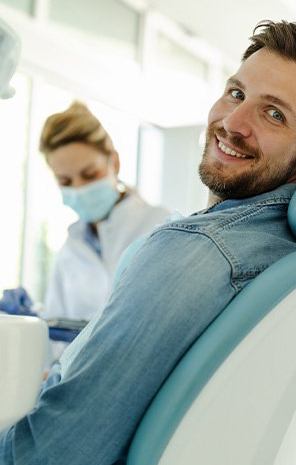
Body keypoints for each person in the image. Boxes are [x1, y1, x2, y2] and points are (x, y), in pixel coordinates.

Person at [0, 20, 296, 465]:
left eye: (273, 114)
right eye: (236, 93)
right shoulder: (285, 256)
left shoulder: (201, 249)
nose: (233, 123)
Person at [0, 102, 170, 322]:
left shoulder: (160, 226)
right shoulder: (71, 249)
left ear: (114, 163)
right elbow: (56, 337)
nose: (79, 188)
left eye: (89, 175)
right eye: (65, 181)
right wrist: (30, 323)